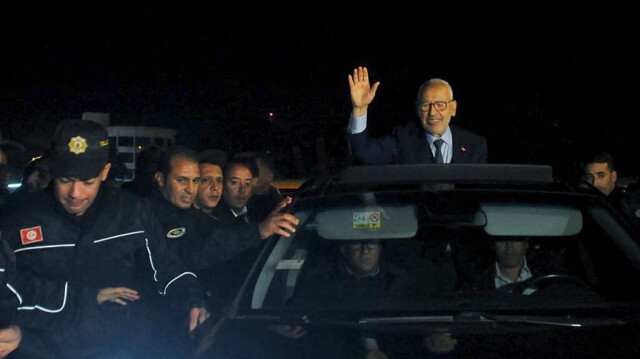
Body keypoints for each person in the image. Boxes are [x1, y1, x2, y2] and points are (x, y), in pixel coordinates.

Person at [0, 119, 209, 358]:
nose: (75, 193)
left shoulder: (131, 212)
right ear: (53, 170)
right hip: (41, 348)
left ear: (105, 172)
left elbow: (167, 268)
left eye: (88, 182)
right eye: (65, 180)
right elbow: (8, 290)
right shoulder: (18, 218)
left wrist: (192, 300)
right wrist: (18, 330)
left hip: (120, 347)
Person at [347, 66, 487, 165]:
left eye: (440, 104)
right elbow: (363, 153)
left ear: (453, 108)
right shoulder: (403, 140)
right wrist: (360, 109)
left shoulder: (474, 145)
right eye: (425, 105)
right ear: (417, 110)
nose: (432, 113)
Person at [582, 152, 640, 226]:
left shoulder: (626, 206)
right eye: (589, 177)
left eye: (601, 176)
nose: (595, 183)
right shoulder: (585, 203)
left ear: (613, 177)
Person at [193, 149, 227, 217]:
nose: (215, 187)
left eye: (219, 181)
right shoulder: (181, 221)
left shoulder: (226, 218)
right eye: (206, 180)